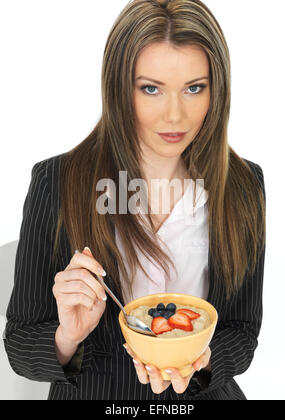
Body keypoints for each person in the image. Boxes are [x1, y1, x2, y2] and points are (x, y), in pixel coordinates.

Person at [4, 0, 266, 400]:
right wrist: (68, 337)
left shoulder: (244, 184)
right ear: (117, 88)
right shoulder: (57, 181)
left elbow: (242, 332)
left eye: (194, 88)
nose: (175, 116)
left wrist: (201, 363)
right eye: (151, 88)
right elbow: (22, 344)